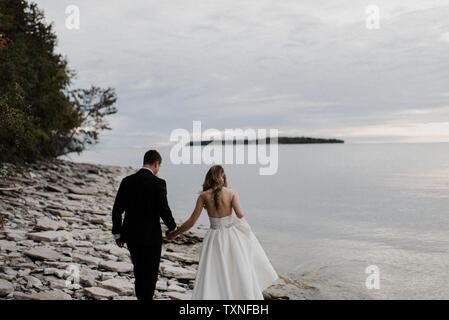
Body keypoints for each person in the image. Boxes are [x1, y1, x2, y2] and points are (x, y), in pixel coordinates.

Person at [167, 165, 278, 299]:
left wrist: (175, 233)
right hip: (231, 237)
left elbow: (191, 221)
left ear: (208, 178)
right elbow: (240, 214)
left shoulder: (203, 196)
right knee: (236, 269)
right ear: (223, 177)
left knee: (214, 271)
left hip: (213, 237)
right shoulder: (232, 193)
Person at [112, 150, 177, 300]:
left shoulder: (127, 181)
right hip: (151, 237)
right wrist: (172, 228)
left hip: (131, 236)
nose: (158, 169)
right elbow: (164, 209)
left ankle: (141, 298)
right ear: (156, 163)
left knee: (139, 271)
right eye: (159, 166)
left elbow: (117, 209)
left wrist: (117, 233)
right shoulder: (158, 183)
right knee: (151, 273)